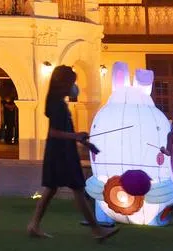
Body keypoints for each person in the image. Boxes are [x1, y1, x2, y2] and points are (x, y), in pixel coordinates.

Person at [27, 65, 118, 241]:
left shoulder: (58, 103)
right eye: (72, 82)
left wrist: (84, 142)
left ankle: (34, 225)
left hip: (60, 151)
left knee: (52, 189)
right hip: (62, 153)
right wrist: (76, 136)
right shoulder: (58, 105)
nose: (74, 87)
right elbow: (54, 132)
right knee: (77, 188)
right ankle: (96, 230)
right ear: (64, 83)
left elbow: (63, 131)